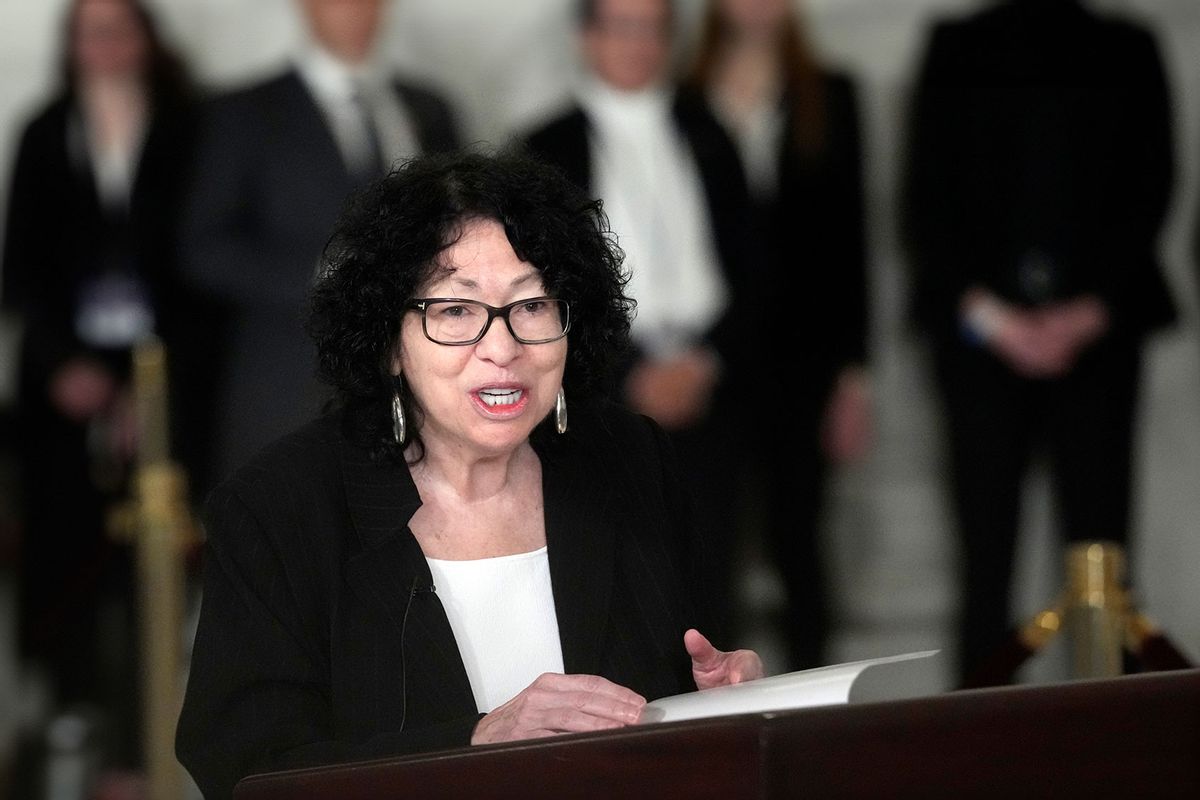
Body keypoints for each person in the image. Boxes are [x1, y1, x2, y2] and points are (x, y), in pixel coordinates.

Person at [174, 149, 764, 799]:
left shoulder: (631, 460)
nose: (503, 347)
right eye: (456, 311)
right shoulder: (278, 509)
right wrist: (477, 742)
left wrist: (718, 703)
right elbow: (248, 773)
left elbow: (680, 684)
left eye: (532, 305)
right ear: (390, 342)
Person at [902, 0, 1176, 683]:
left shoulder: (1130, 47)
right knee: (984, 565)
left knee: (1104, 564)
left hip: (1099, 346)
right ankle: (977, 754)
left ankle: (1118, 753)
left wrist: (1088, 312)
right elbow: (923, 201)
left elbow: (1153, 188)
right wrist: (998, 322)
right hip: (978, 347)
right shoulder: (956, 47)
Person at [518, 0, 754, 640]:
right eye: (622, 26)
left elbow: (755, 268)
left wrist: (705, 362)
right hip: (600, 398)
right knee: (617, 593)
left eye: (654, 28)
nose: (640, 44)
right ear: (587, 36)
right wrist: (630, 375)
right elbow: (539, 291)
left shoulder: (711, 132)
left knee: (712, 588)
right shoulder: (544, 148)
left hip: (712, 387)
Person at [178, 0, 460, 491]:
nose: (357, 10)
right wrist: (322, 274)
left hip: (421, 388)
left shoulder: (427, 107)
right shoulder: (245, 113)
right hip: (291, 384)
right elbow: (203, 247)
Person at [680, 0, 870, 670]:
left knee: (801, 541)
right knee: (710, 544)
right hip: (716, 359)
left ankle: (819, 704)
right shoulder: (682, 99)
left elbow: (852, 242)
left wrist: (854, 373)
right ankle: (720, 714)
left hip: (805, 360)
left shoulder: (832, 95)